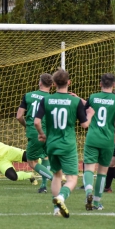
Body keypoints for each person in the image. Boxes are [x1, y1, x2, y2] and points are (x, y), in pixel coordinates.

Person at [34, 69, 94, 218]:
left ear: (53, 84)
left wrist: (42, 134)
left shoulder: (46, 99)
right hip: (67, 144)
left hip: (52, 144)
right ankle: (61, 198)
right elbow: (85, 125)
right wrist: (91, 114)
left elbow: (36, 121)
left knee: (56, 175)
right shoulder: (75, 101)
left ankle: (56, 210)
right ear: (69, 82)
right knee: (72, 178)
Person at [83, 74, 115, 211]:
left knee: (88, 168)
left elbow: (85, 114)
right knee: (102, 172)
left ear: (100, 84)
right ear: (114, 85)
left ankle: (88, 193)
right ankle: (96, 202)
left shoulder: (93, 97)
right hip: (107, 141)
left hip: (92, 138)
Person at [16, 73, 54, 193]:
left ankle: (54, 179)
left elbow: (19, 116)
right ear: (52, 85)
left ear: (40, 82)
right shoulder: (53, 99)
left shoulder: (28, 96)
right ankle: (43, 186)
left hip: (35, 132)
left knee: (32, 161)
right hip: (49, 132)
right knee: (46, 156)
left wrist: (27, 126)